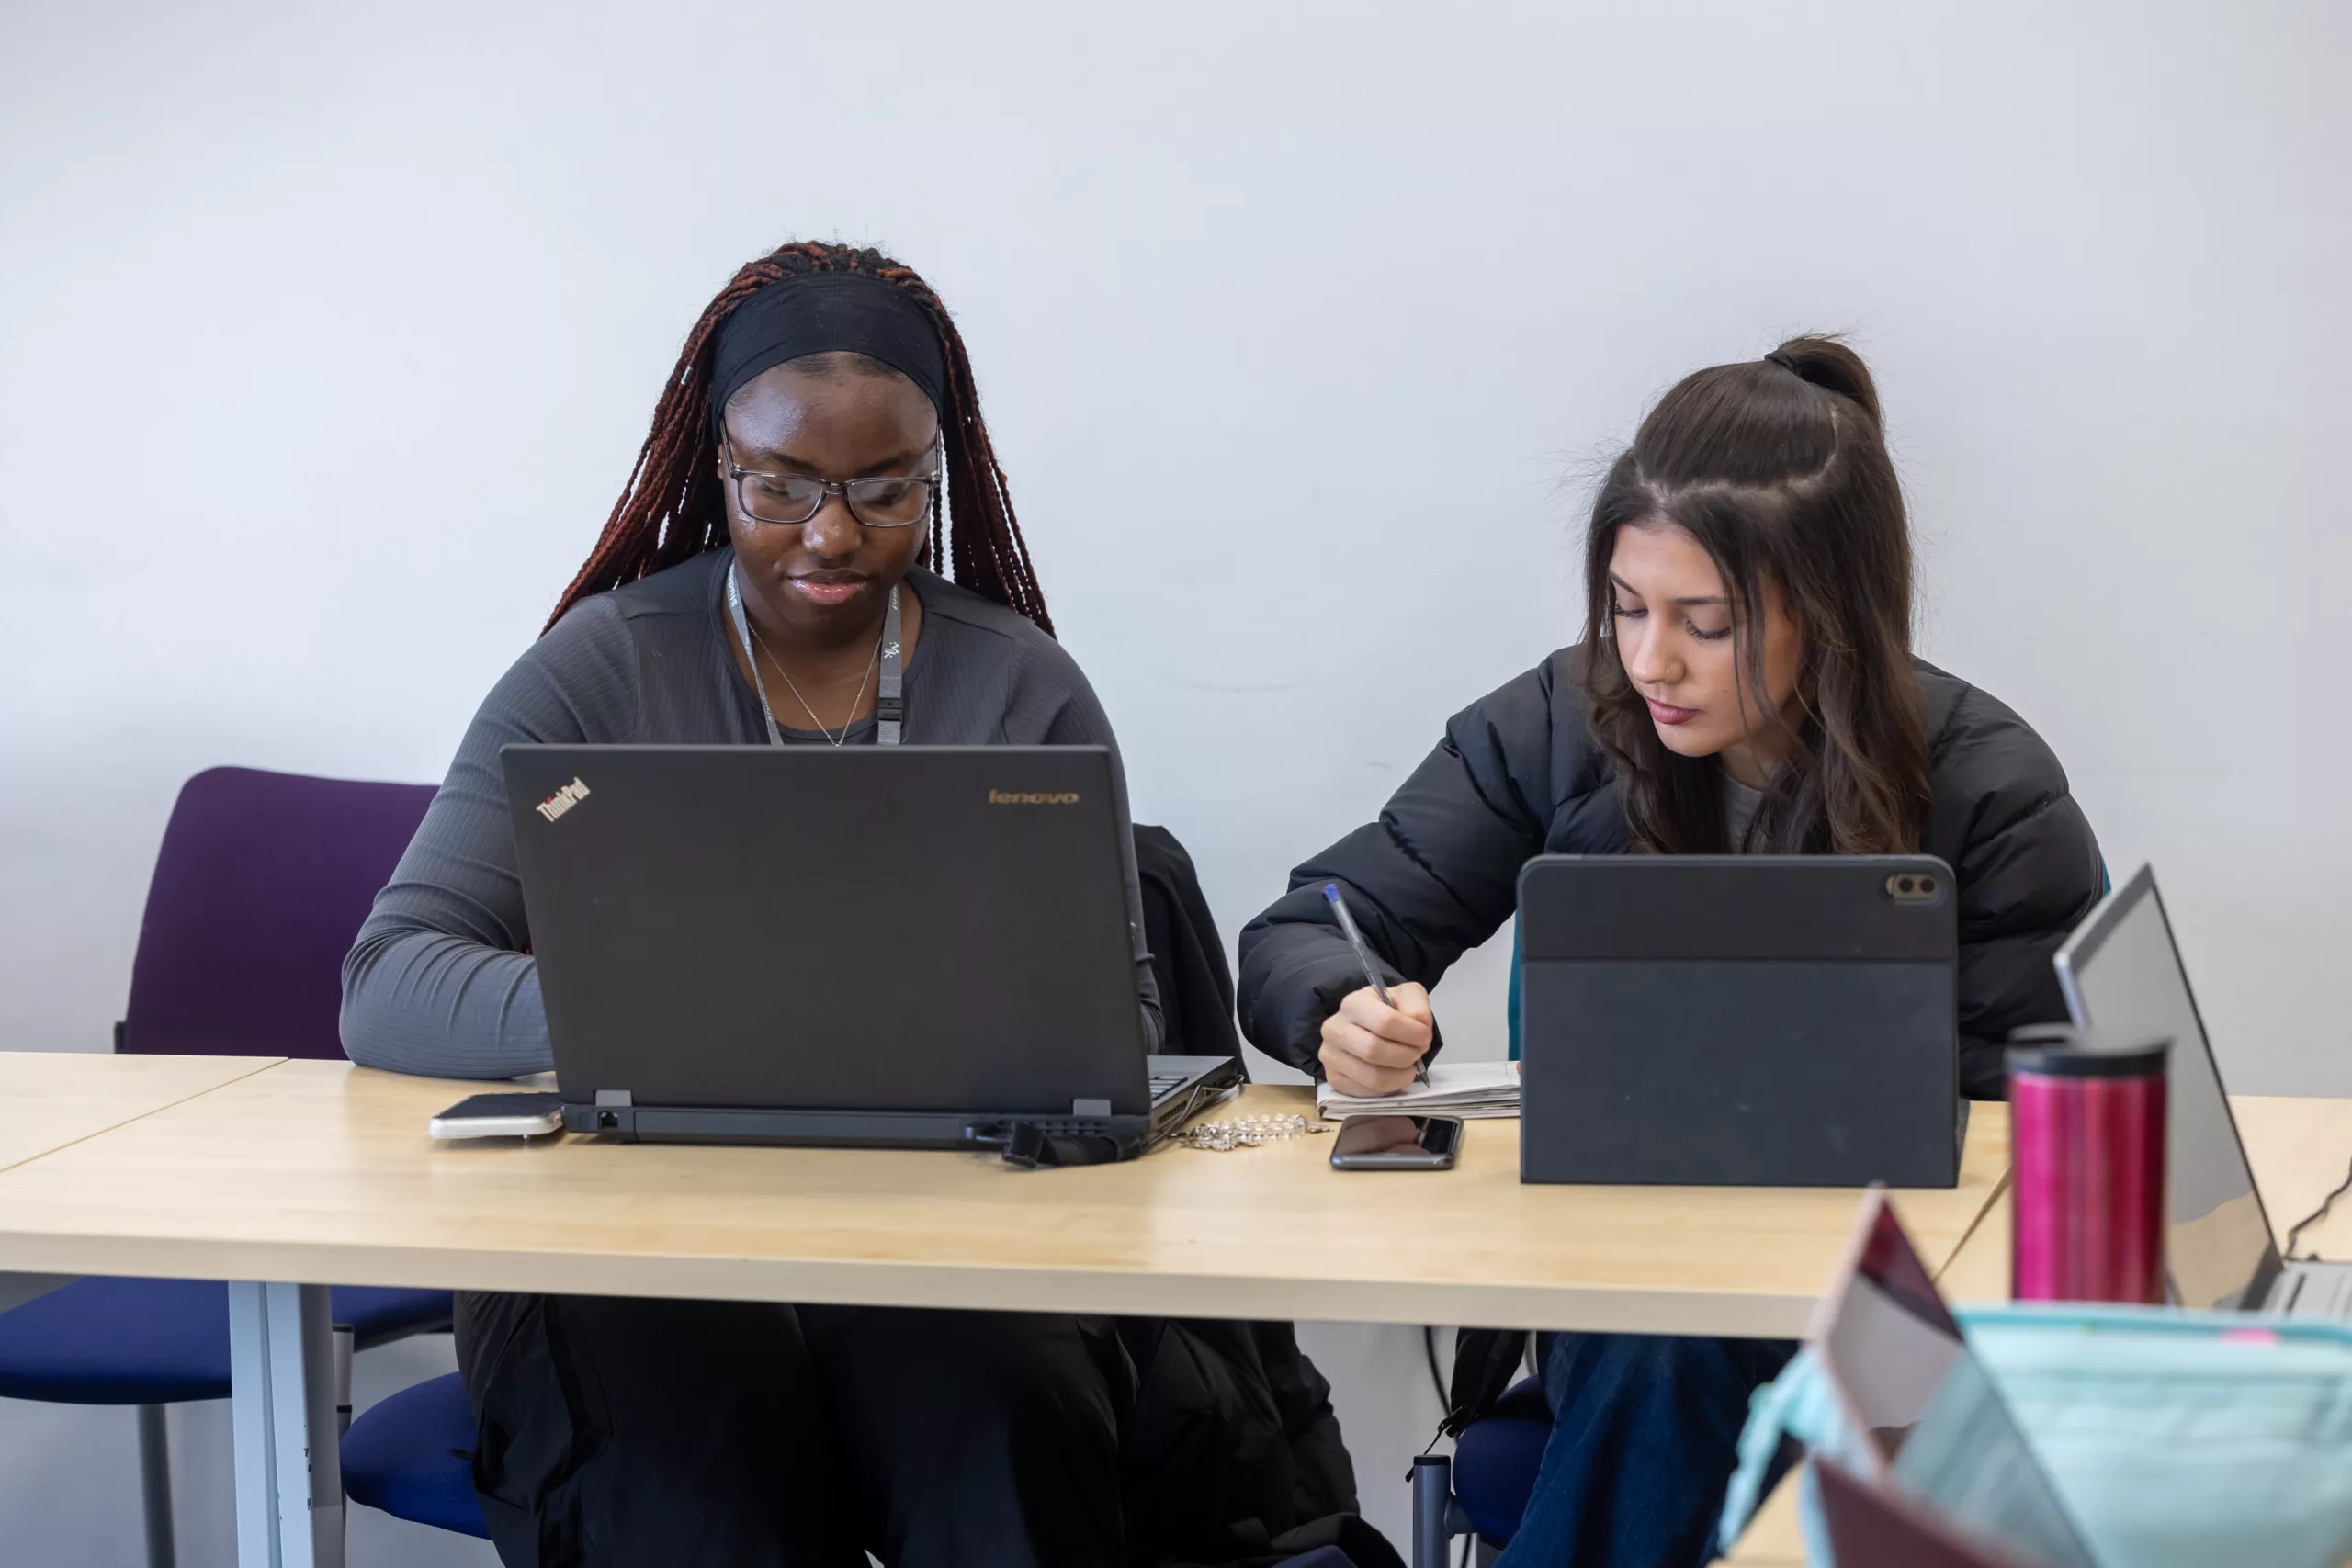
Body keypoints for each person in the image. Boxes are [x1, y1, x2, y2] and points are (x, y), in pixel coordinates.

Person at [341, 241, 1162, 1568]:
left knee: (1006, 1433)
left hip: (927, 1240)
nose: (830, 533)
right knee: (692, 1480)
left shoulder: (1023, 690)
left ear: (939, 473)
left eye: (882, 486)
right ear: (715, 463)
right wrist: (660, 1016)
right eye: (779, 485)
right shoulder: (595, 669)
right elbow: (388, 977)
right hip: (623, 1247)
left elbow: (1111, 1018)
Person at [1236, 337, 2103, 1568]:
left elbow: (2044, 1150)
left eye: (1707, 623)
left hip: (1900, 1318)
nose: (1650, 661)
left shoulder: (1989, 790)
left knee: (1674, 1351)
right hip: (1629, 1285)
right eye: (1628, 610)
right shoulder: (1561, 721)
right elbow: (1307, 923)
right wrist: (1342, 1005)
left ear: (1834, 612)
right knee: (1661, 1337)